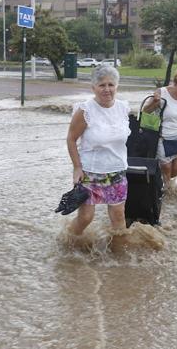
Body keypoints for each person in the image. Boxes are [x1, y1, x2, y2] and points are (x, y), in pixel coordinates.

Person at [66, 65, 131, 236]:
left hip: (117, 170)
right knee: (86, 217)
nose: (107, 89)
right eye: (102, 85)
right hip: (90, 172)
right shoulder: (85, 110)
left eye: (111, 84)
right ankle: (66, 243)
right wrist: (77, 167)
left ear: (117, 86)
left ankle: (119, 257)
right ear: (93, 87)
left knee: (118, 217)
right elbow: (71, 139)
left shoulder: (123, 108)